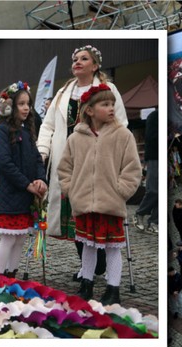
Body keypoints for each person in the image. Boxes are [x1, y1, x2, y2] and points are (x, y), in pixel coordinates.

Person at [37, 45, 129, 282]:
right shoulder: (63, 93)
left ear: (95, 65)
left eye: (84, 59)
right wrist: (43, 150)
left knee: (99, 212)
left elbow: (121, 123)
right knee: (75, 216)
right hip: (68, 162)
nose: (77, 62)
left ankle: (104, 266)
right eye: (75, 59)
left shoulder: (108, 89)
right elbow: (48, 126)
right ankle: (87, 265)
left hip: (98, 159)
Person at [58, 82, 141, 303]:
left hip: (111, 202)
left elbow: (132, 168)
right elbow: (64, 167)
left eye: (112, 104)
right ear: (90, 110)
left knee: (113, 248)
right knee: (88, 244)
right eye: (105, 104)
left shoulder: (123, 135)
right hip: (84, 203)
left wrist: (121, 190)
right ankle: (87, 283)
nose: (111, 108)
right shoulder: (76, 138)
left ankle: (113, 288)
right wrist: (71, 189)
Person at [0, 82, 47, 277]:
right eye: (21, 104)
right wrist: (27, 184)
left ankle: (11, 275)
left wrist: (40, 179)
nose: (26, 108)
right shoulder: (1, 130)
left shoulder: (27, 130)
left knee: (21, 238)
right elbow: (5, 163)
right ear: (10, 106)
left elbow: (37, 158)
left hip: (25, 194)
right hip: (9, 193)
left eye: (28, 104)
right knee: (8, 238)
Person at [135, 108, 159, 233]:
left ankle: (154, 221)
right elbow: (152, 137)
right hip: (155, 156)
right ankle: (140, 213)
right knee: (153, 190)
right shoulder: (154, 116)